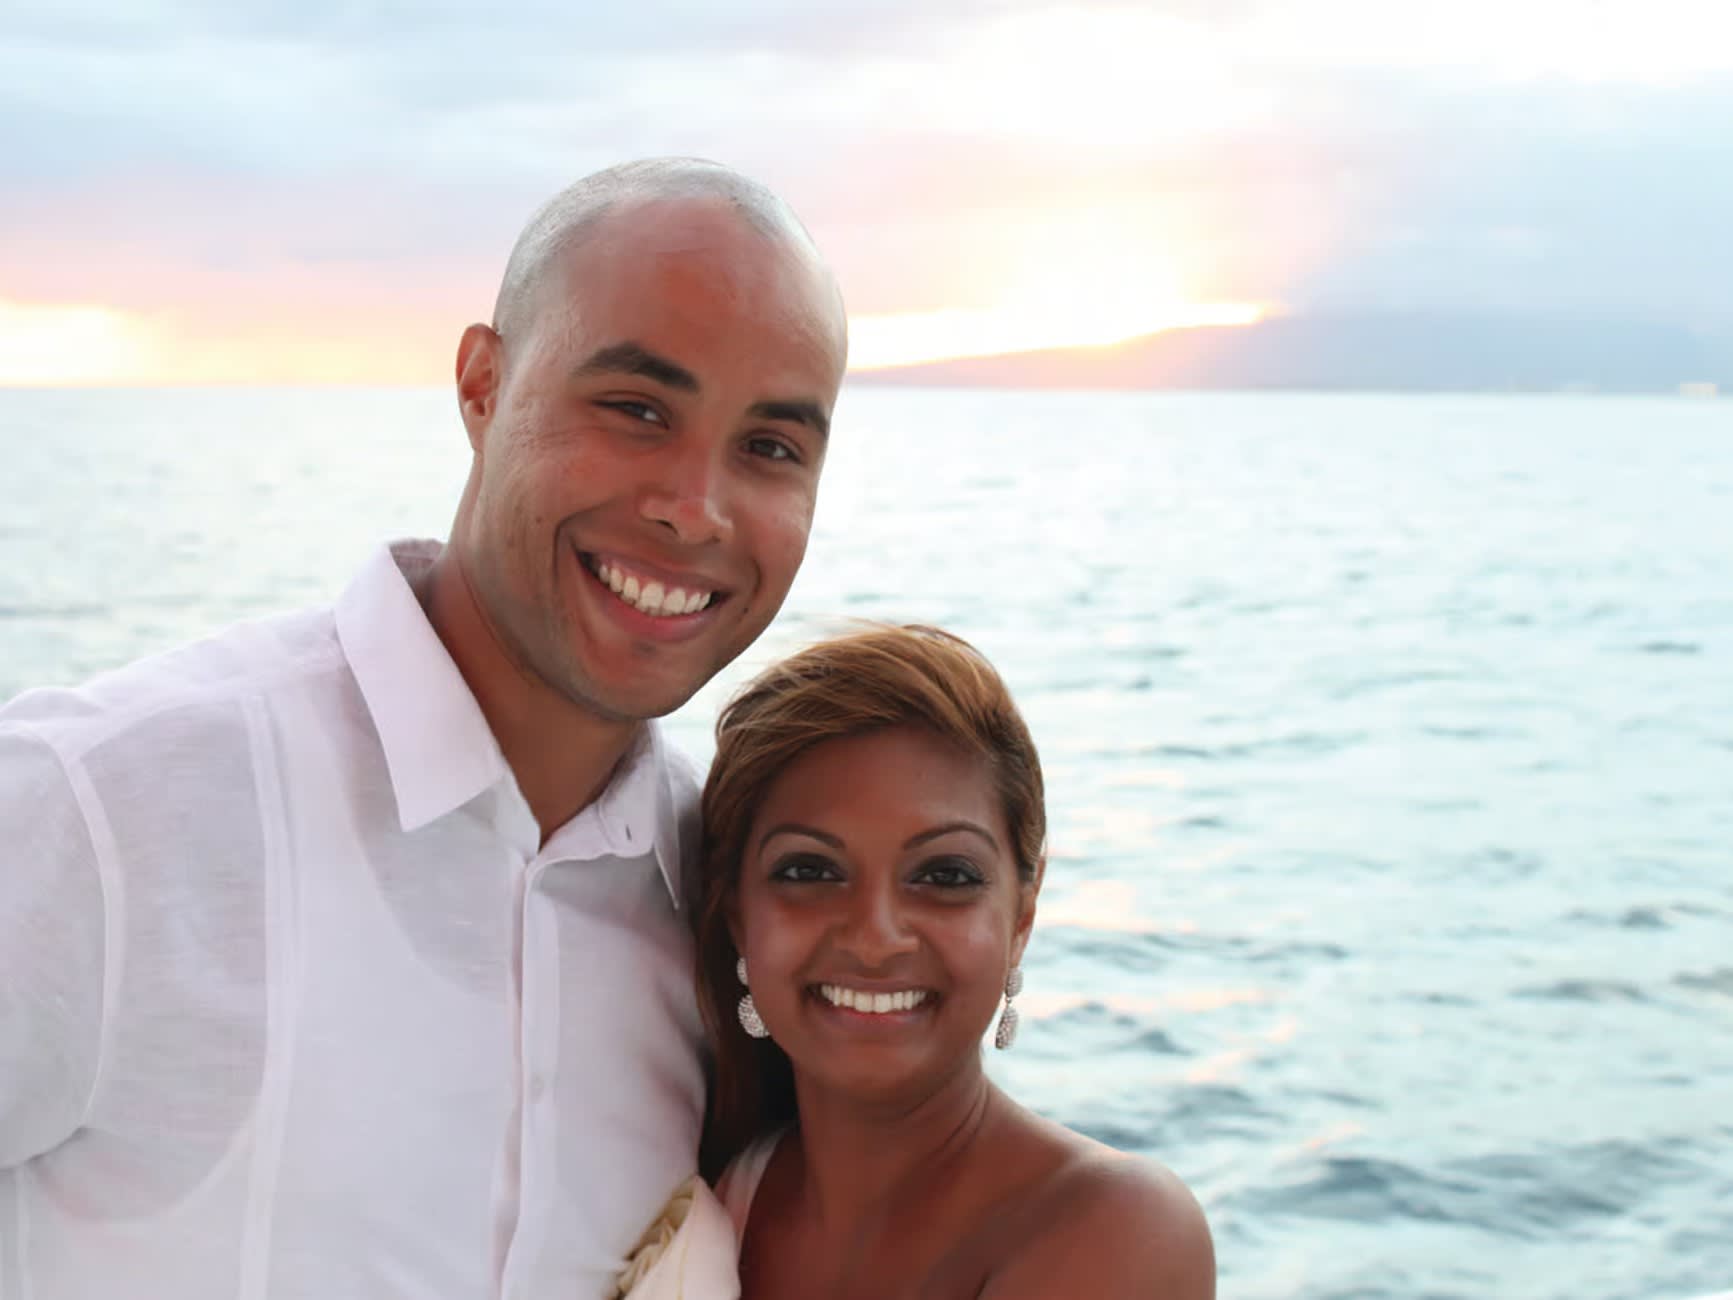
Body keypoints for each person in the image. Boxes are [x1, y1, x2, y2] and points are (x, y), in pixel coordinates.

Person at [0, 158, 848, 1299]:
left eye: (769, 447)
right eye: (636, 410)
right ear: (483, 386)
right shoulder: (104, 810)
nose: (695, 509)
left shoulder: (725, 911)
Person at [610, 625, 1215, 1298]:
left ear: (1022, 914)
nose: (875, 939)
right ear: (737, 915)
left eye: (945, 876)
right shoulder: (711, 1197)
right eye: (810, 870)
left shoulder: (1113, 1231)